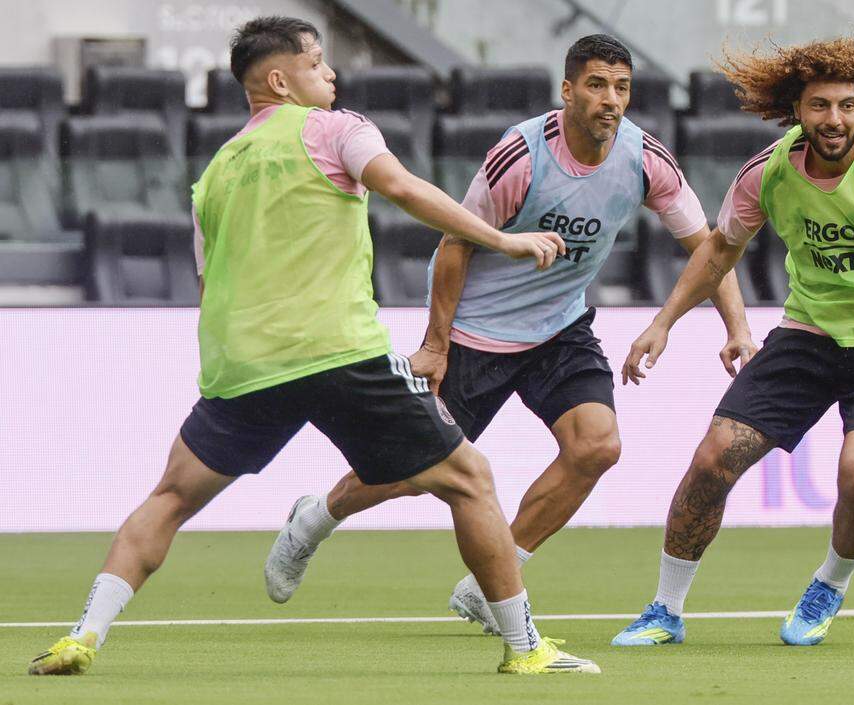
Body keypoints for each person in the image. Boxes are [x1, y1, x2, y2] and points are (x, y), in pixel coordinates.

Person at [29, 16, 599, 676]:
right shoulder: (335, 128)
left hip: (241, 365)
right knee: (470, 480)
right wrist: (503, 240)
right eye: (317, 63)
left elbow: (210, 278)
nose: (330, 74)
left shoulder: (213, 174)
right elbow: (403, 188)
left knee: (169, 498)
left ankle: (83, 634)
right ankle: (526, 649)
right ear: (279, 79)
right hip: (336, 352)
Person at [263, 34, 755, 635]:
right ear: (568, 90)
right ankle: (317, 517)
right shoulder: (521, 156)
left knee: (596, 446)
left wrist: (734, 326)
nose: (611, 100)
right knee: (410, 473)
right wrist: (437, 344)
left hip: (560, 328)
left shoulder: (645, 158)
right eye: (596, 85)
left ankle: (488, 581)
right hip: (476, 331)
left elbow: (708, 247)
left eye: (621, 88)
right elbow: (455, 243)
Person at [611, 36, 854, 647]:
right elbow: (720, 250)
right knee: (712, 460)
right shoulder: (767, 171)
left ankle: (830, 584)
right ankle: (664, 609)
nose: (833, 119)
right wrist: (664, 322)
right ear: (797, 108)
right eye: (819, 105)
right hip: (809, 334)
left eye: (847, 105)